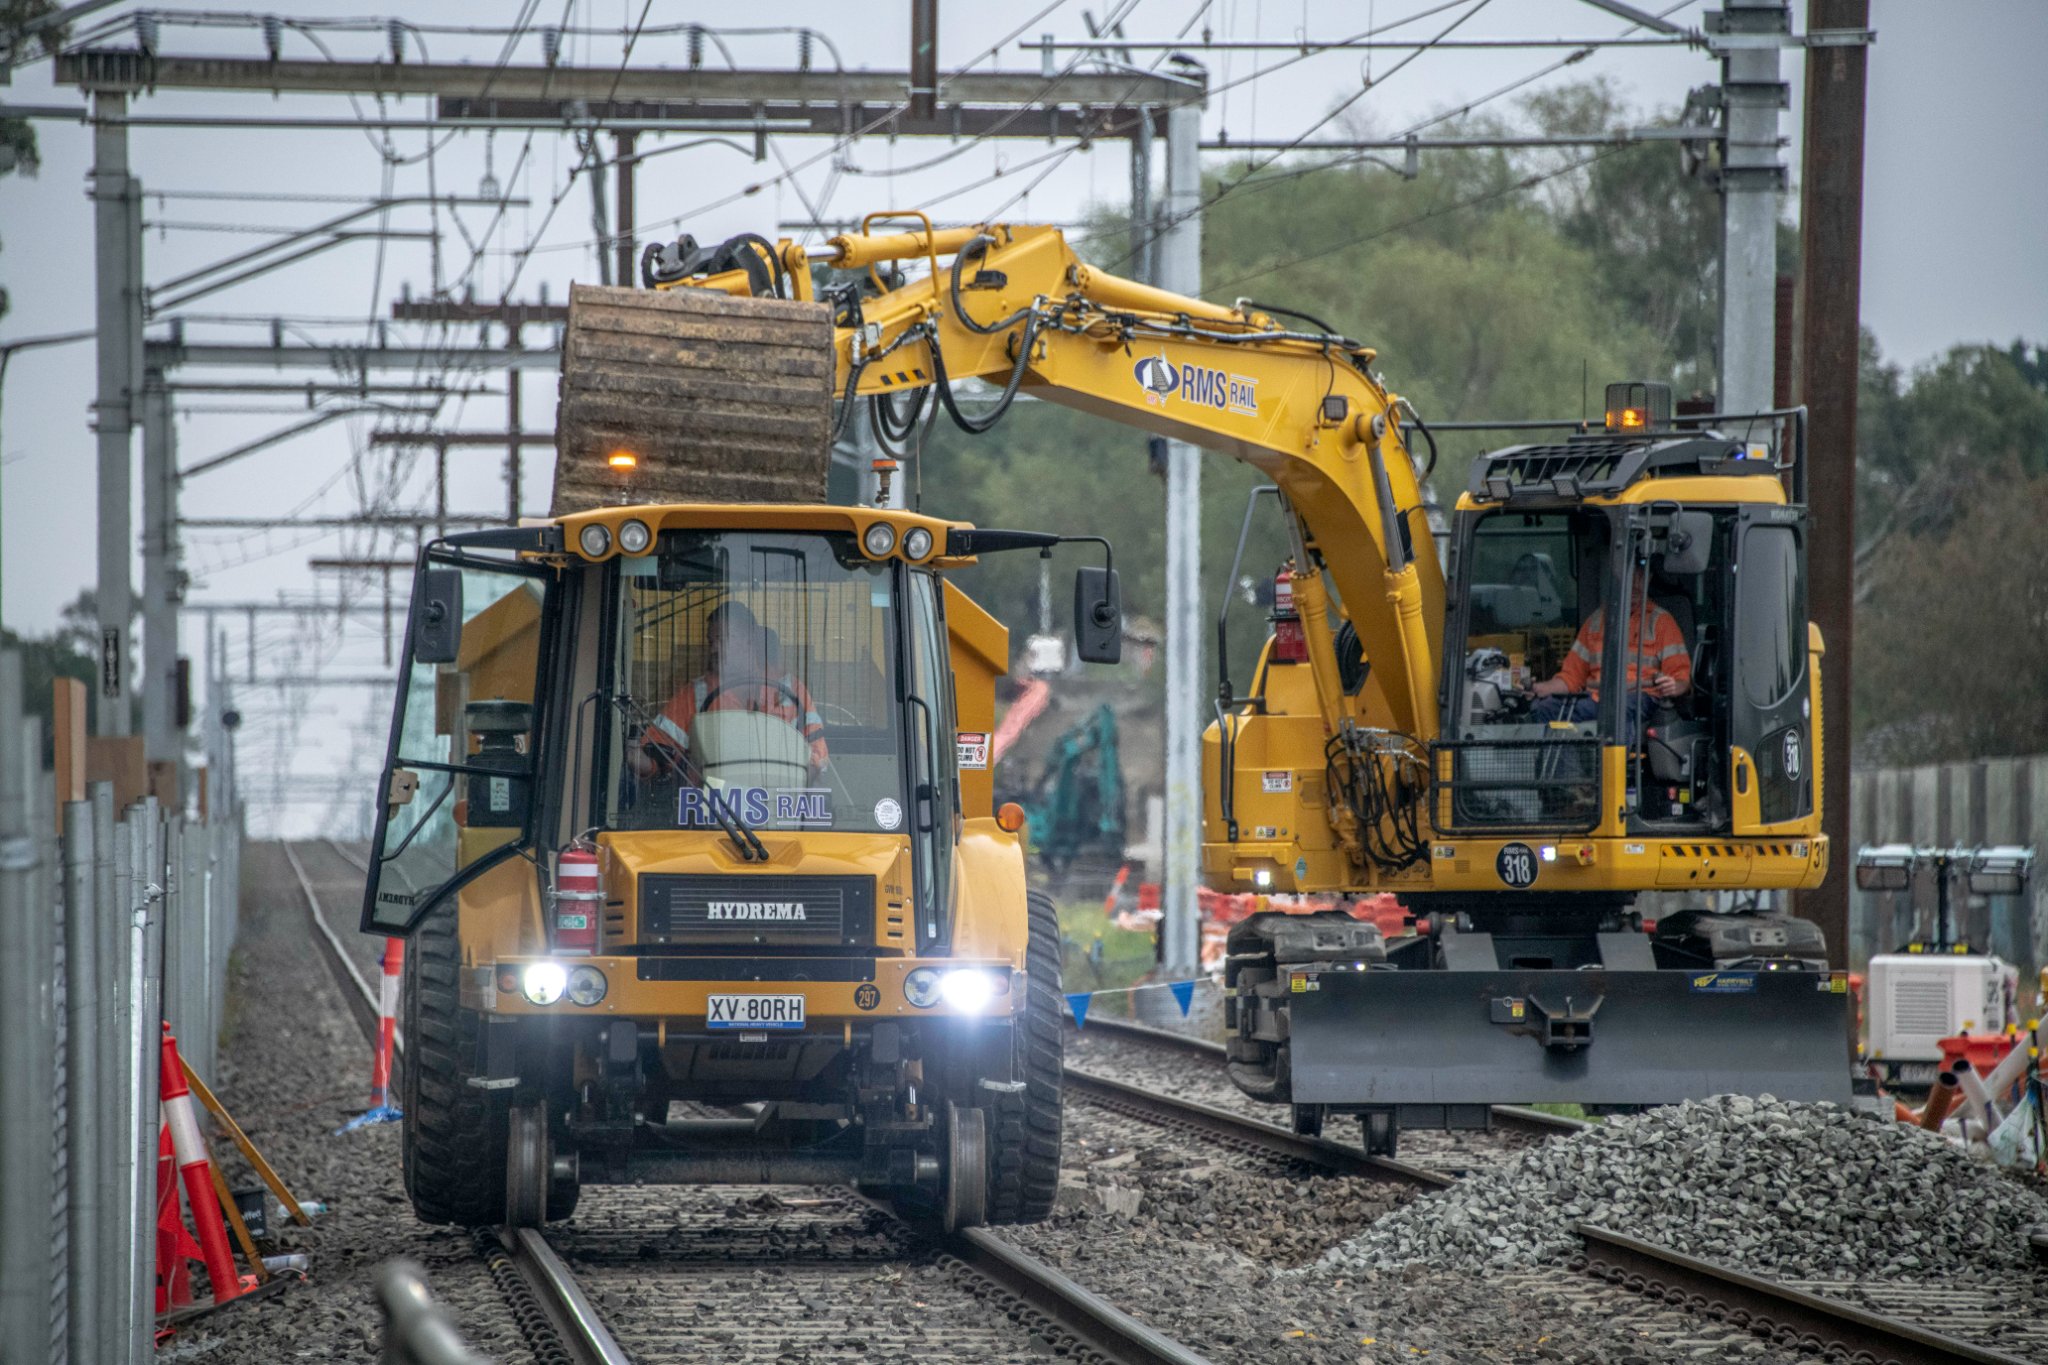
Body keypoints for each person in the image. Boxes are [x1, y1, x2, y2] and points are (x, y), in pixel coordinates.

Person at [633, 600, 828, 779]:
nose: (713, 649)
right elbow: (658, 752)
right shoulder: (696, 694)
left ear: (750, 640)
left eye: (721, 639)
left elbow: (816, 758)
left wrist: (791, 788)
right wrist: (638, 760)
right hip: (711, 811)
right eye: (711, 642)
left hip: (780, 809)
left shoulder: (791, 690)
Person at [1529, 586, 1690, 733]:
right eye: (1630, 575)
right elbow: (1572, 677)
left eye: (1639, 575)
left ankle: (1617, 764)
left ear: (1650, 578)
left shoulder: (1661, 622)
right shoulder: (1596, 621)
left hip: (1640, 698)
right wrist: (1542, 688)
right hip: (1595, 698)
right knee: (1545, 709)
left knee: (1616, 709)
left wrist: (1674, 686)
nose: (1634, 583)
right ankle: (1572, 766)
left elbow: (1680, 679)